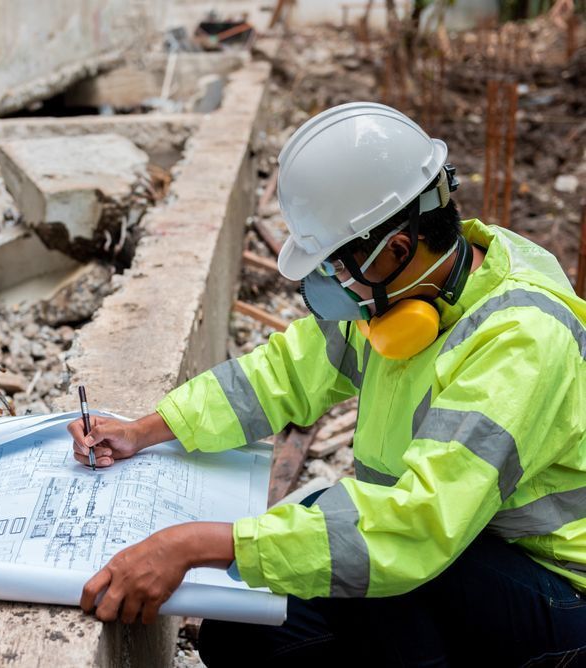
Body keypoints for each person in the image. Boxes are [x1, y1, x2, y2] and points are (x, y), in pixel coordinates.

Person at [67, 102, 586, 666]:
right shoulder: (405, 294)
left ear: (395, 250)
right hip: (451, 558)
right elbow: (284, 371)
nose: (327, 285)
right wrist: (146, 430)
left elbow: (416, 530)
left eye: (334, 267)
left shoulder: (522, 341)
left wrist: (196, 544)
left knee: (375, 565)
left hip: (551, 592)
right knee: (243, 631)